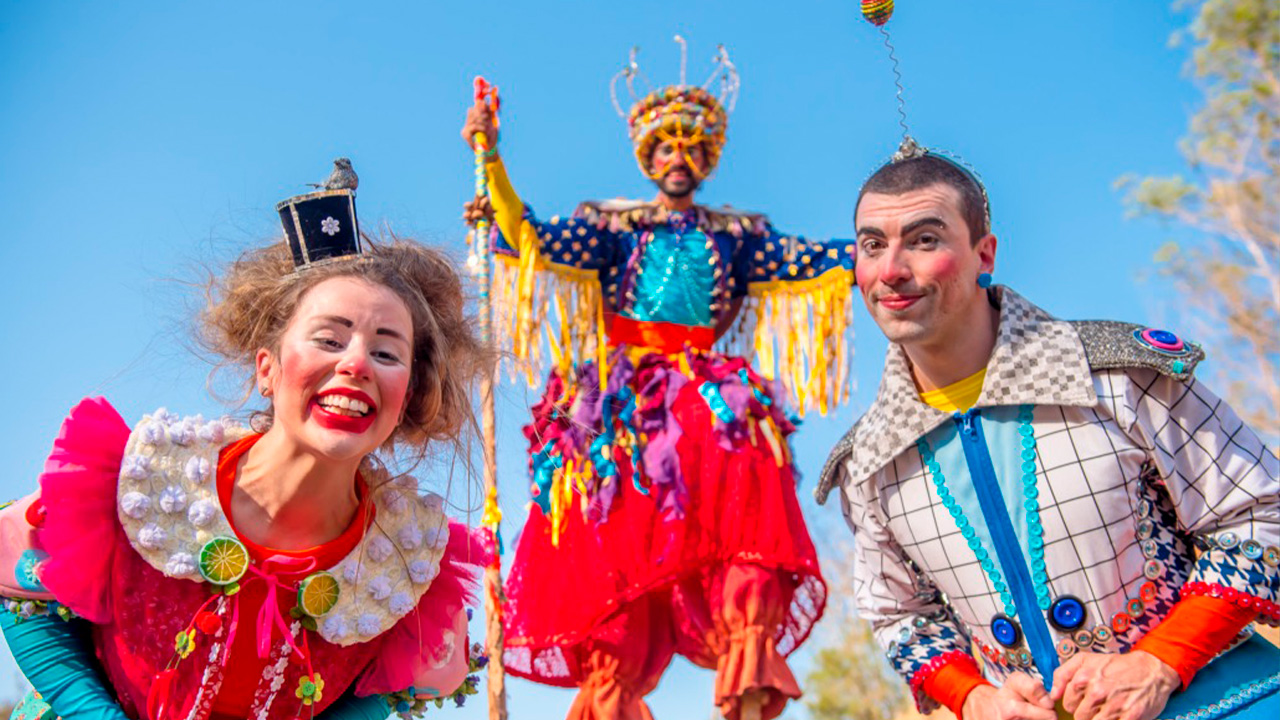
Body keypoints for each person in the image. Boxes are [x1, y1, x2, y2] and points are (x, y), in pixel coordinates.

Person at [815, 141, 1279, 720]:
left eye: (924, 240)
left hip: (1231, 701)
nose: (891, 270)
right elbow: (900, 616)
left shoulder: (1119, 375)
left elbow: (1260, 513)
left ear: (985, 254)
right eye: (872, 246)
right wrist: (975, 698)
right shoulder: (867, 463)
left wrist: (1160, 661)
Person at [0, 176, 491, 720]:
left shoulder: (407, 560)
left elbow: (380, 695)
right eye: (329, 340)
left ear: (408, 396)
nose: (355, 364)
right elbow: (22, 591)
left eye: (386, 353)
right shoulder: (150, 479)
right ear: (267, 368)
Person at [460, 44, 854, 720]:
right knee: (611, 536)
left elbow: (815, 259)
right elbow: (529, 235)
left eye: (693, 147)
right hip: (626, 404)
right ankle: (615, 682)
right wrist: (491, 159)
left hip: (708, 398)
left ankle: (746, 666)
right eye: (667, 146)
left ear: (708, 160)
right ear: (648, 156)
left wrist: (885, 241)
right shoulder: (615, 227)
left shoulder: (739, 234)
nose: (679, 157)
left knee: (747, 512)